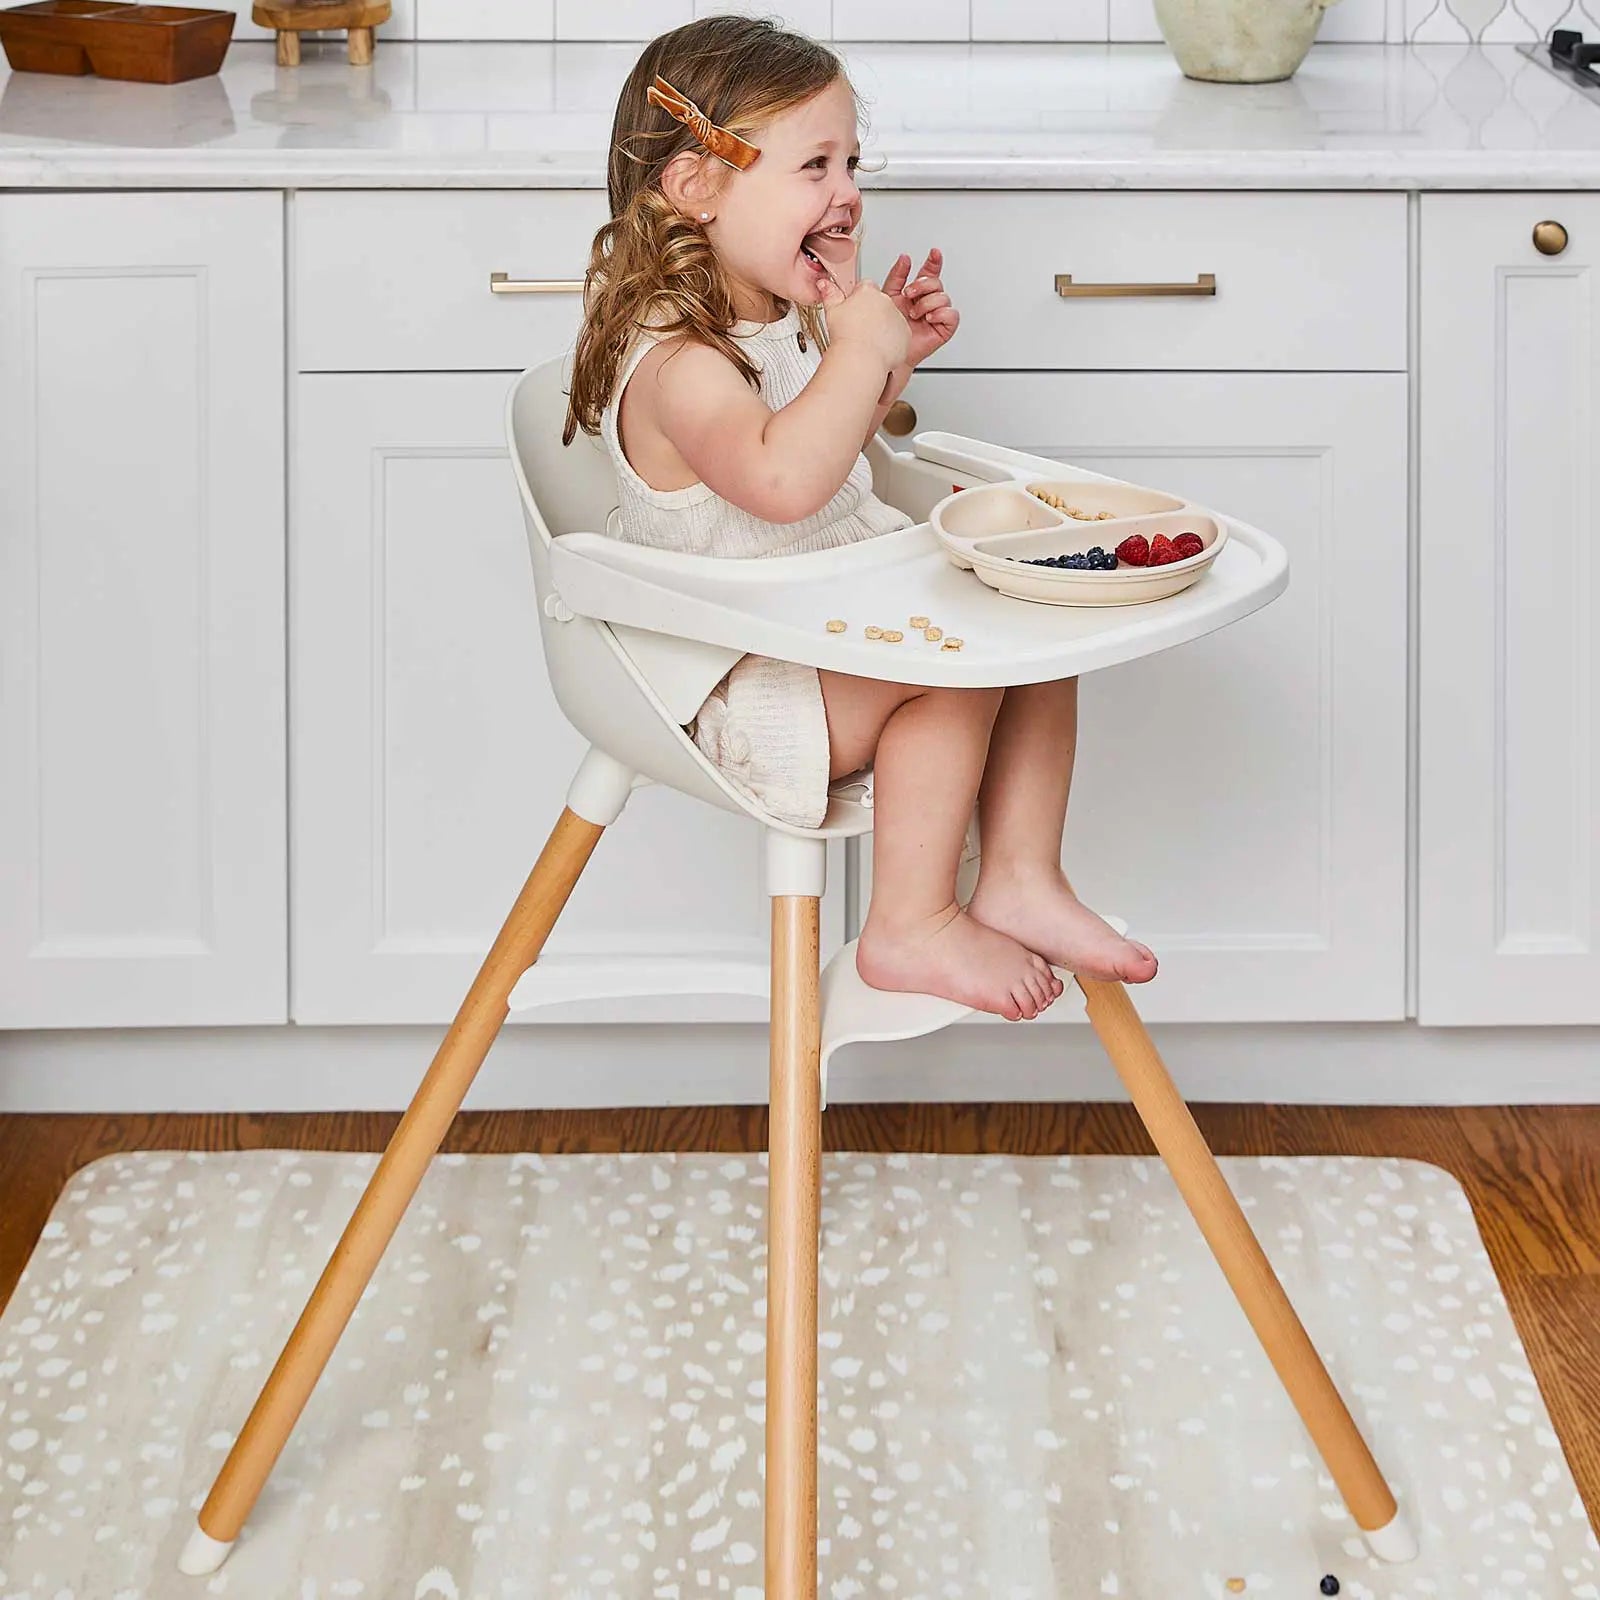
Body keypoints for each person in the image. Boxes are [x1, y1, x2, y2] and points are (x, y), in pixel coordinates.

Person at [563, 15, 1158, 1023]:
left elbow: (823, 461)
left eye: (851, 163)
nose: (846, 194)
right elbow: (781, 484)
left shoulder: (771, 325)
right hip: (749, 677)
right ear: (697, 187)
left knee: (1036, 623)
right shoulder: (680, 367)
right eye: (813, 166)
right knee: (960, 661)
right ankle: (908, 922)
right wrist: (854, 351)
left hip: (819, 624)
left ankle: (1019, 874)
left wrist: (883, 365)